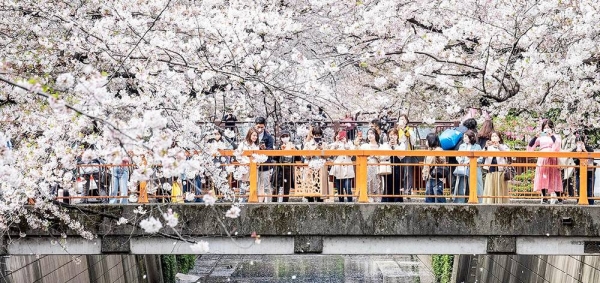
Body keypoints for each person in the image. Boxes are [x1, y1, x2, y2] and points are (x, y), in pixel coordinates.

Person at [527, 119, 562, 204]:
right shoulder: (540, 137)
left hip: (552, 158)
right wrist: (535, 136)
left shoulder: (556, 136)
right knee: (542, 177)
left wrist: (552, 136)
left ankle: (559, 198)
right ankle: (545, 197)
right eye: (545, 127)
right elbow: (531, 146)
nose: (547, 129)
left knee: (554, 176)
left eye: (549, 127)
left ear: (552, 128)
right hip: (542, 158)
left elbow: (557, 146)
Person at [453, 130, 484, 203]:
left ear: (471, 137)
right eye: (464, 137)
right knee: (461, 184)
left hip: (473, 168)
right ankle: (460, 201)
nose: (464, 138)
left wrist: (471, 161)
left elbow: (480, 158)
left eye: (466, 137)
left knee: (476, 184)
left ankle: (478, 200)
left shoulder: (477, 146)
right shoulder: (462, 146)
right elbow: (458, 155)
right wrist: (460, 160)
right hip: (463, 167)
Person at [482, 131, 511, 204]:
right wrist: (485, 147)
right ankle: (490, 201)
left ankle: (501, 201)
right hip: (490, 168)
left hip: (500, 168)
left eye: (495, 136)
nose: (494, 138)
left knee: (500, 186)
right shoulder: (488, 147)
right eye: (492, 136)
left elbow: (507, 155)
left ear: (499, 138)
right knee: (490, 185)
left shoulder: (503, 146)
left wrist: (499, 146)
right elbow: (483, 156)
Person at [301, 126, 329, 202]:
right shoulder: (308, 144)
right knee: (311, 188)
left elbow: (328, 155)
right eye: (316, 135)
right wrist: (313, 151)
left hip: (321, 167)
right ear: (313, 135)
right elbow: (304, 155)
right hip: (311, 167)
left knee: (320, 189)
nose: (318, 137)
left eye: (319, 135)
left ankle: (320, 204)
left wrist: (321, 150)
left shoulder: (324, 144)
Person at [329, 130, 355, 202]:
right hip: (338, 168)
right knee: (339, 189)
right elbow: (331, 154)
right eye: (338, 134)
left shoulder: (349, 143)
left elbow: (351, 154)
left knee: (348, 188)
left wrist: (345, 144)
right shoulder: (334, 144)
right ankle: (341, 203)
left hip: (347, 167)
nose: (340, 136)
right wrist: (336, 143)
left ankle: (350, 203)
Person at [271, 131, 297, 202]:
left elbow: (299, 158)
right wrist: (280, 150)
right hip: (279, 169)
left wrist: (295, 151)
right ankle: (274, 203)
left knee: (286, 188)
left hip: (289, 169)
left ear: (289, 137)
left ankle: (285, 203)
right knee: (276, 186)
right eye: (283, 136)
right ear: (281, 138)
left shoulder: (293, 146)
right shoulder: (278, 146)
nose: (285, 138)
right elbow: (274, 157)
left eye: (286, 136)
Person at [254, 117, 274, 202]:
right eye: (258, 127)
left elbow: (271, 151)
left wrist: (265, 149)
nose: (260, 129)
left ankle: (268, 203)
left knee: (266, 185)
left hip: (265, 165)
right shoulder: (252, 135)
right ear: (255, 125)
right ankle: (256, 202)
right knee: (255, 185)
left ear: (264, 126)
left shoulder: (268, 137)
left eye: (262, 127)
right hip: (254, 164)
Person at [422, 133, 447, 203]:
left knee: (438, 194)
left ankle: (441, 209)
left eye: (427, 140)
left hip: (437, 175)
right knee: (429, 194)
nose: (426, 142)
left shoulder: (438, 149)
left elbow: (441, 159)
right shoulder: (429, 150)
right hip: (430, 175)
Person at [397, 114, 417, 197]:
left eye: (403, 119)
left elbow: (412, 139)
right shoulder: (396, 130)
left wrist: (403, 128)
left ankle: (407, 189)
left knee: (407, 172)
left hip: (407, 153)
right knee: (398, 171)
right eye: (400, 119)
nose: (402, 120)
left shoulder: (409, 130)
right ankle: (398, 189)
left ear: (406, 121)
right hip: (398, 152)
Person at [571, 133, 595, 205]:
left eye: (581, 142)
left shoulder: (589, 148)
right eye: (578, 142)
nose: (579, 144)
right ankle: (579, 204)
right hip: (579, 172)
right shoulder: (574, 151)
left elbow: (591, 159)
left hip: (590, 172)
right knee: (579, 188)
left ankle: (591, 204)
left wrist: (584, 150)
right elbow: (575, 161)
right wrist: (578, 154)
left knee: (590, 190)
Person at [381, 129, 404, 202]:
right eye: (391, 135)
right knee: (387, 184)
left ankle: (397, 201)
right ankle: (387, 201)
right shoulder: (385, 145)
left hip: (397, 166)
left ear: (397, 136)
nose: (393, 137)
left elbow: (401, 156)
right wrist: (389, 147)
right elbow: (383, 156)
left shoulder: (401, 144)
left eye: (394, 135)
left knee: (397, 184)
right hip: (388, 166)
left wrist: (396, 146)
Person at [237, 128, 260, 199]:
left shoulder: (256, 145)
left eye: (256, 136)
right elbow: (237, 154)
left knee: (252, 185)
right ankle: (242, 200)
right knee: (243, 185)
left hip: (253, 167)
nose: (255, 137)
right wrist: (243, 162)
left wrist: (258, 162)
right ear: (249, 135)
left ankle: (250, 200)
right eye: (254, 135)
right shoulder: (243, 144)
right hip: (244, 166)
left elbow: (257, 156)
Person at [360, 128, 381, 202]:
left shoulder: (379, 146)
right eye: (368, 134)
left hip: (376, 164)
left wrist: (377, 156)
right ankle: (369, 196)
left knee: (377, 179)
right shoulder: (365, 145)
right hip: (367, 164)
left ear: (375, 135)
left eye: (372, 133)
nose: (370, 135)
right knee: (368, 181)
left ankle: (377, 196)